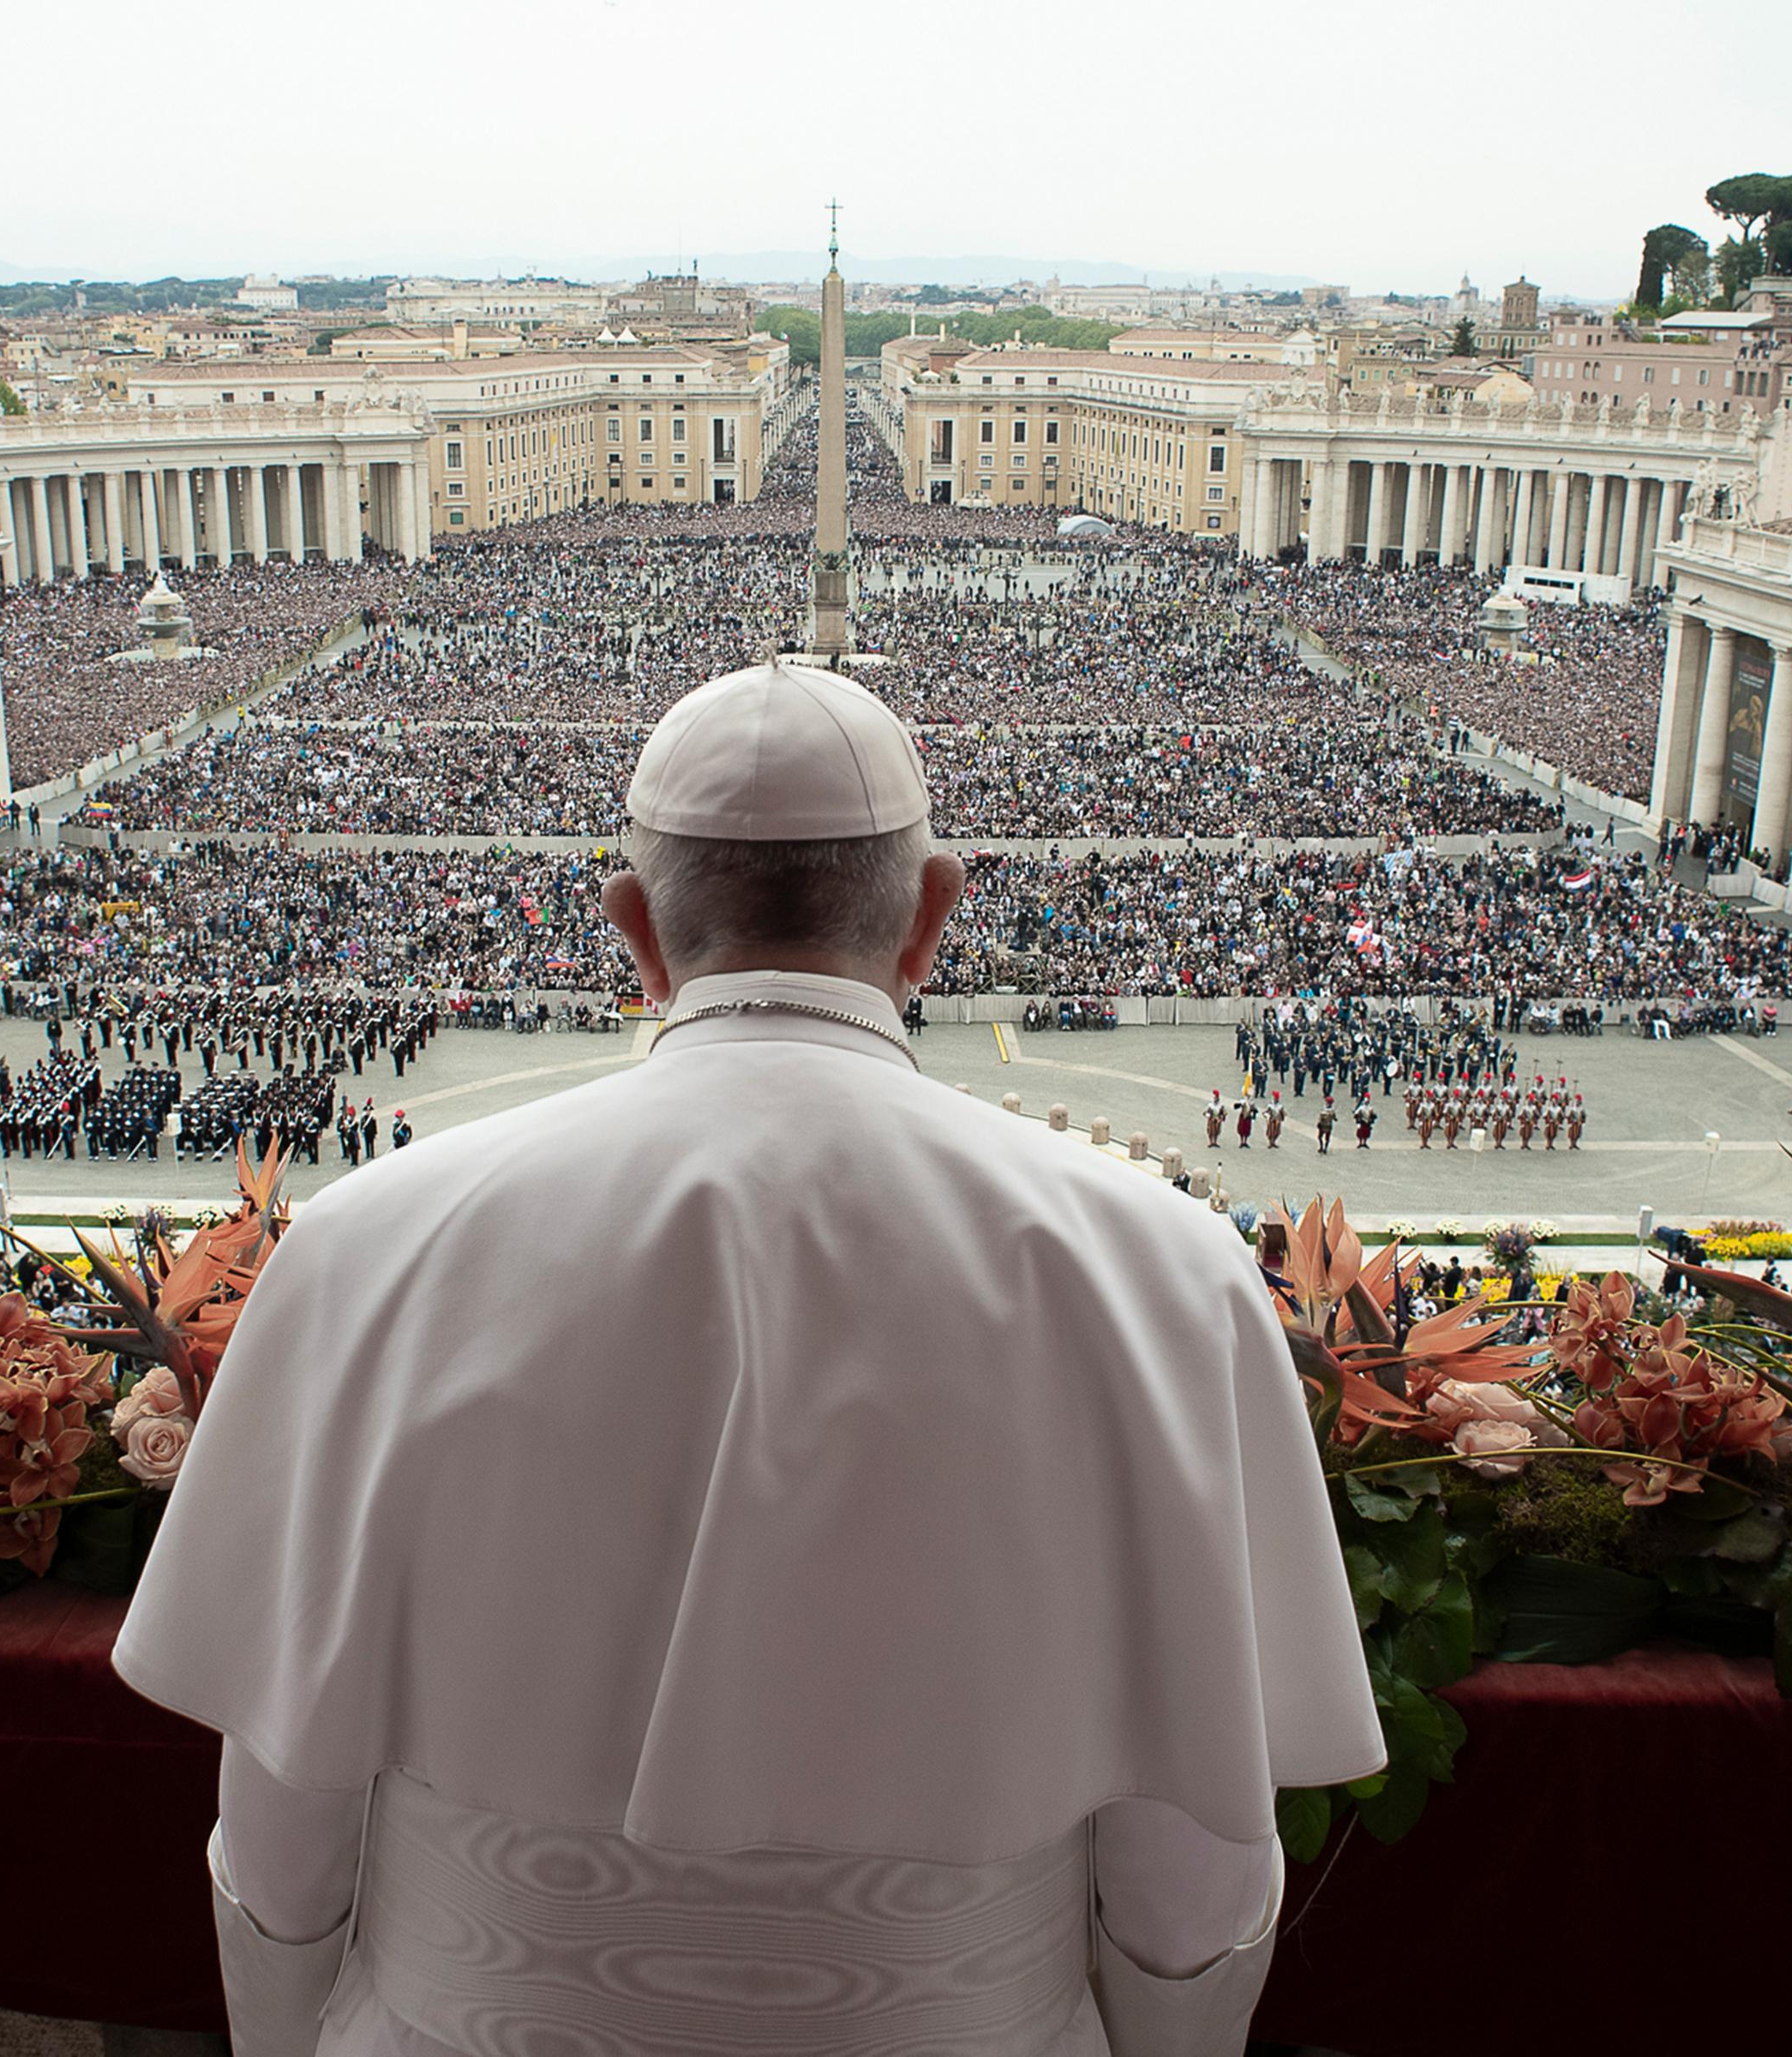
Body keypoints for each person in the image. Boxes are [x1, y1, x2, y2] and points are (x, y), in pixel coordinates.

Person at [117, 658, 1381, 2056]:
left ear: (633, 929)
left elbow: (286, 1807)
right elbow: (1190, 1854)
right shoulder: (1165, 1269)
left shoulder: (367, 1243)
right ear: (932, 920)